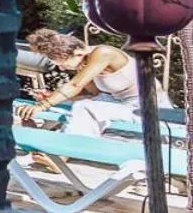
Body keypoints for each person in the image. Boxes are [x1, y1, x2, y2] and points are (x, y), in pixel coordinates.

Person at [15, 27, 163, 136]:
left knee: (84, 107)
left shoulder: (103, 53)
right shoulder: (84, 63)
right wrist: (51, 96)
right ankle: (46, 137)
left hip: (147, 109)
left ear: (78, 53)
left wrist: (42, 105)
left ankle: (67, 152)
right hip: (123, 104)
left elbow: (74, 85)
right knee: (69, 104)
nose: (62, 67)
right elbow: (92, 93)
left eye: (62, 63)